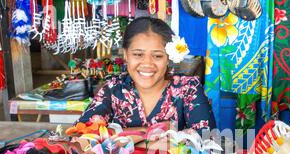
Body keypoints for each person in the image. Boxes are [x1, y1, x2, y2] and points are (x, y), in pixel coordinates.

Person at [76, 17, 216, 147]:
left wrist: (120, 138)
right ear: (126, 54)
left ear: (169, 57)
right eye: (138, 54)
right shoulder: (113, 89)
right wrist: (148, 132)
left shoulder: (188, 88)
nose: (147, 63)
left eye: (157, 56)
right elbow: (82, 138)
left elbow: (206, 141)